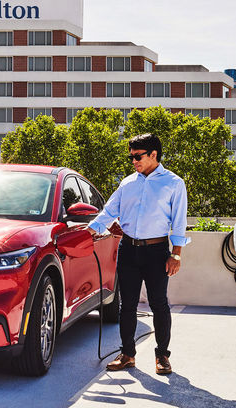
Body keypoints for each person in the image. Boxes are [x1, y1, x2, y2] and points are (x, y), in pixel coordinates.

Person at [87, 133, 189, 375]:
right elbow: (108, 212)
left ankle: (162, 355)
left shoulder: (174, 183)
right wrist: (88, 232)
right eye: (131, 157)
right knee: (127, 305)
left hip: (156, 251)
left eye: (137, 156)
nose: (133, 161)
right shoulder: (127, 183)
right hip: (128, 250)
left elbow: (179, 221)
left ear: (154, 154)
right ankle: (127, 354)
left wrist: (176, 254)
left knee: (159, 304)